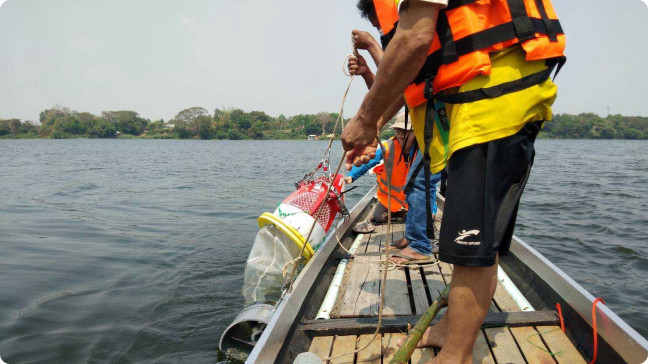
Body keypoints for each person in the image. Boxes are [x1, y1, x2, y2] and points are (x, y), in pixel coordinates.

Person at [342, 0, 565, 362]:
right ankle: (450, 328)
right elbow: (411, 74)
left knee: (470, 249)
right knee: (476, 246)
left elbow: (415, 40)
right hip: (474, 110)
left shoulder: (415, 26)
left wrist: (366, 119)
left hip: (492, 104)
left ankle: (456, 355)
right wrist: (371, 125)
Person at [346, 115, 416, 232]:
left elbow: (430, 183)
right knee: (379, 218)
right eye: (398, 131)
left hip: (414, 197)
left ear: (415, 132)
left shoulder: (422, 149)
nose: (401, 135)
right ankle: (397, 213)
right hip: (391, 197)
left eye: (405, 131)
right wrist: (351, 176)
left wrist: (433, 209)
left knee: (422, 217)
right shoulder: (388, 146)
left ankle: (404, 212)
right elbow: (369, 162)